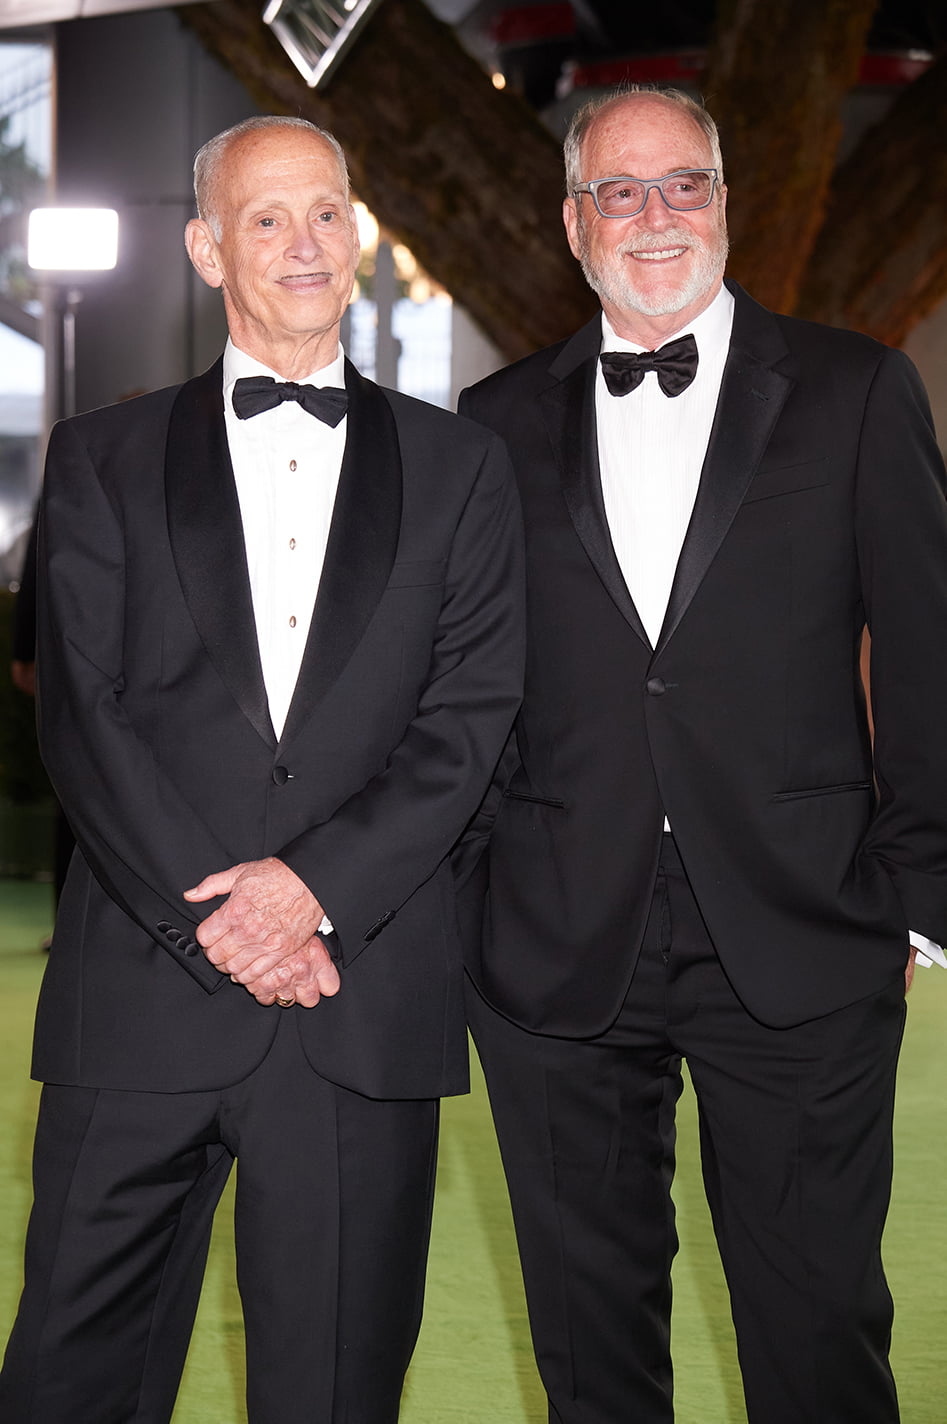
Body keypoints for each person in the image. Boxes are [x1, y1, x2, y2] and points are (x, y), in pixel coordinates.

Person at [0, 115, 523, 1424]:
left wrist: (311, 893)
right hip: (138, 1002)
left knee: (335, 1392)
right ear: (205, 246)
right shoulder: (101, 458)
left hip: (358, 1005)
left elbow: (470, 719)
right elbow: (85, 716)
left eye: (327, 212)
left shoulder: (463, 468)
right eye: (267, 217)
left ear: (359, 232)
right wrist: (225, 917)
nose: (305, 242)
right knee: (69, 1384)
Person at [457, 86, 947, 1424]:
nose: (655, 214)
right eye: (620, 191)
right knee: (589, 1345)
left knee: (818, 1330)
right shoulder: (491, 424)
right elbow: (470, 689)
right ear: (572, 222)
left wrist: (920, 898)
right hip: (558, 947)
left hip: (802, 930)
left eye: (684, 185)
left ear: (726, 202)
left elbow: (927, 653)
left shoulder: (855, 391)